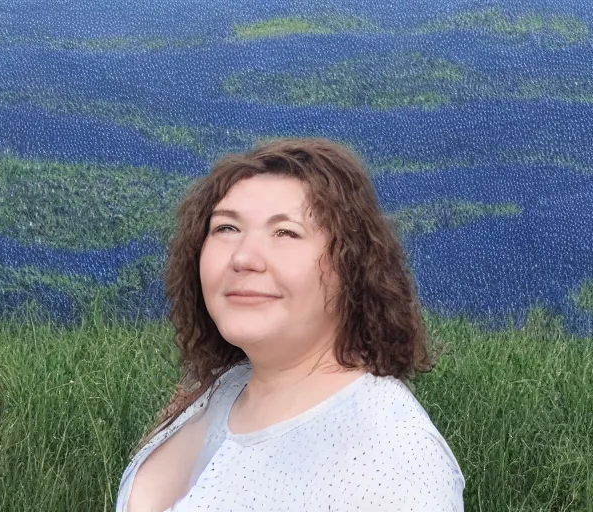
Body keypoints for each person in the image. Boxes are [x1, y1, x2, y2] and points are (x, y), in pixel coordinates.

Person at [114, 138, 465, 511]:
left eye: (286, 233)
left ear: (351, 267)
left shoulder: (394, 464)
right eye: (226, 228)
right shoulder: (226, 386)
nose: (244, 257)